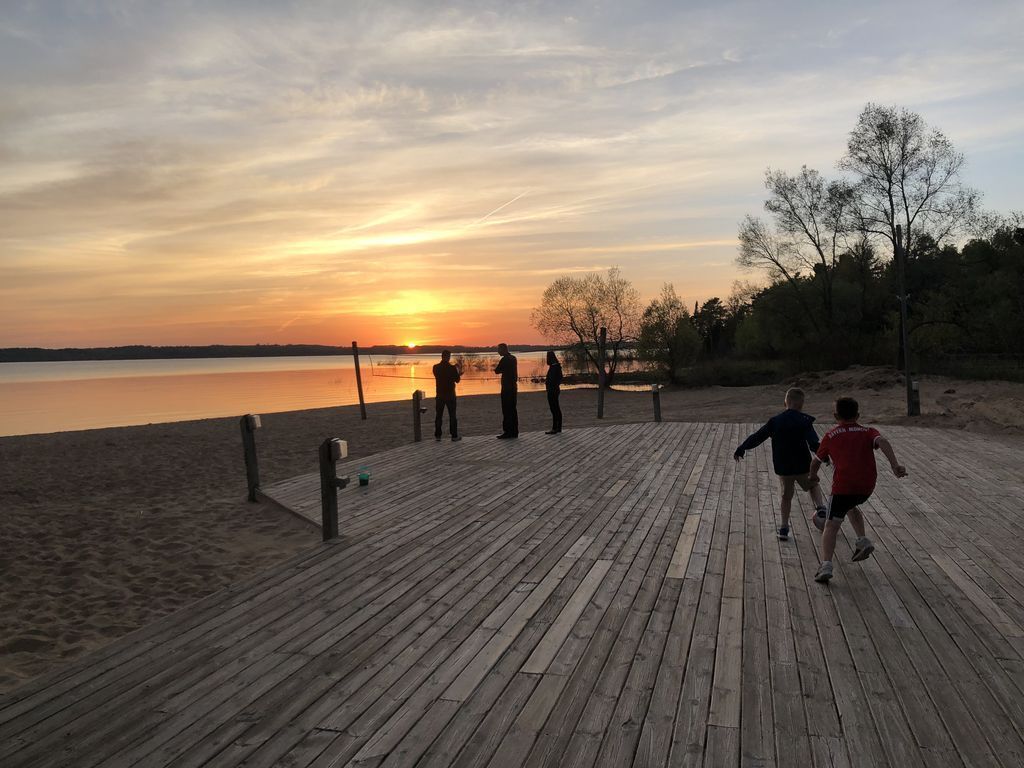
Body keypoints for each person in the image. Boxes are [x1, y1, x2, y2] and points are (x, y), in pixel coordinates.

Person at [809, 396, 908, 584]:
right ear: (858, 415)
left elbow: (816, 462)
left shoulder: (831, 436)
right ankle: (862, 541)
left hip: (843, 487)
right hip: (866, 487)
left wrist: (812, 476)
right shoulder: (868, 431)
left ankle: (826, 565)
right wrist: (894, 465)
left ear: (835, 415)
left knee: (831, 525)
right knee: (851, 506)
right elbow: (883, 441)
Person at [734, 387, 827, 541]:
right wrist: (824, 457)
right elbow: (813, 443)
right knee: (812, 484)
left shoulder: (775, 421)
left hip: (784, 467)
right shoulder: (804, 421)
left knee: (786, 497)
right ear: (801, 404)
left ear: (785, 402)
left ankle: (784, 527)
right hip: (803, 464)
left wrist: (742, 448)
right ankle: (820, 507)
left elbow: (758, 437)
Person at [432, 350, 462, 441]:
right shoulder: (452, 368)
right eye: (449, 356)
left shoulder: (435, 367)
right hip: (450, 394)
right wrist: (458, 371)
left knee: (439, 415)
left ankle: (438, 436)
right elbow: (457, 380)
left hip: (440, 394)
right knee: (452, 415)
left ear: (442, 356)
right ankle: (454, 436)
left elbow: (438, 376)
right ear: (448, 357)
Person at [494, 343, 518, 438]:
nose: (498, 351)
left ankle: (508, 431)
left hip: (507, 388)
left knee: (506, 410)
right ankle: (514, 431)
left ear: (503, 349)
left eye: (499, 349)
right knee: (513, 409)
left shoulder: (505, 359)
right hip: (513, 387)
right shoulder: (513, 358)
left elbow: (497, 370)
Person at [544, 350, 563, 434]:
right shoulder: (555, 367)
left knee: (554, 408)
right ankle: (557, 427)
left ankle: (555, 427)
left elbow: (553, 380)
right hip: (554, 389)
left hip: (553, 390)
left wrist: (550, 385)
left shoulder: (554, 367)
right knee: (556, 408)